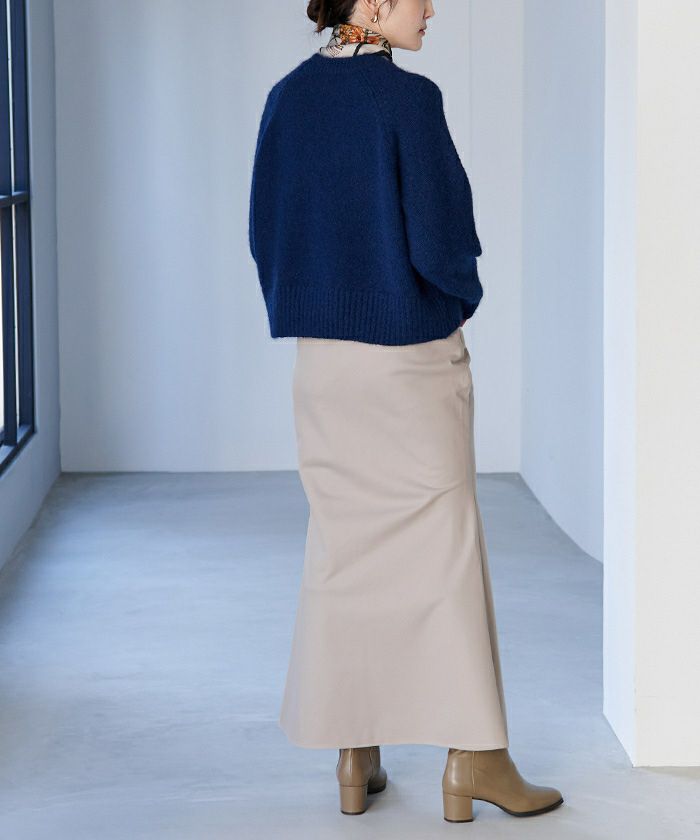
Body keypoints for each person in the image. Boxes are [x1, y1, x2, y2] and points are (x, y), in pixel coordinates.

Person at [248, 0, 564, 823]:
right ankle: (475, 759)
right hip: (409, 358)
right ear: (374, 1)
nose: (431, 8)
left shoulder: (287, 97)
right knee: (442, 553)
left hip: (322, 365)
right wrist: (455, 302)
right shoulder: (408, 100)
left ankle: (355, 751)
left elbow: (264, 232)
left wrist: (312, 305)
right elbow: (443, 239)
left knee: (344, 548)